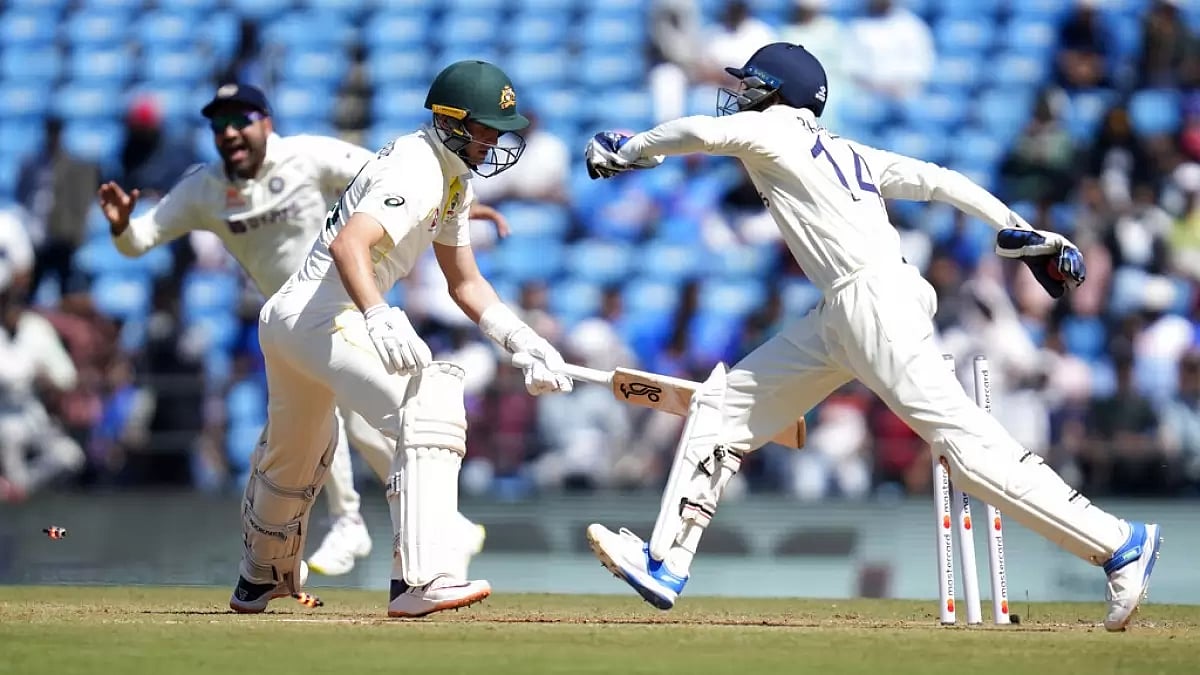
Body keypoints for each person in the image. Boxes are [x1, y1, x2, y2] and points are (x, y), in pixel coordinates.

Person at [582, 43, 1161, 632]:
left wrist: (629, 150)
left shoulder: (774, 130)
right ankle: (665, 562)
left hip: (871, 300)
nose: (739, 96)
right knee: (723, 406)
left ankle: (1120, 543)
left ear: (777, 91)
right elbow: (940, 180)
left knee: (967, 450)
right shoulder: (843, 150)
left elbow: (700, 130)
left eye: (750, 85)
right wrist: (1017, 228)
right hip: (851, 307)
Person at [96, 83, 497, 581]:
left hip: (346, 306)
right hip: (289, 321)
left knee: (359, 419)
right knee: (328, 424)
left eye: (240, 120)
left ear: (266, 121)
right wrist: (120, 226)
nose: (230, 133)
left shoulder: (306, 155)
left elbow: (393, 179)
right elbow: (141, 240)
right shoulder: (202, 189)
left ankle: (358, 527)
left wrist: (458, 208)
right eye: (219, 126)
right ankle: (416, 528)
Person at [232, 60, 571, 617]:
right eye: (485, 128)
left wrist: (522, 340)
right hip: (327, 317)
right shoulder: (417, 168)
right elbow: (349, 246)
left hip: (292, 322)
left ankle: (258, 578)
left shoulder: (452, 175)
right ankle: (421, 579)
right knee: (428, 410)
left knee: (296, 456)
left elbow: (464, 282)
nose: (493, 142)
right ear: (451, 121)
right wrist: (379, 315)